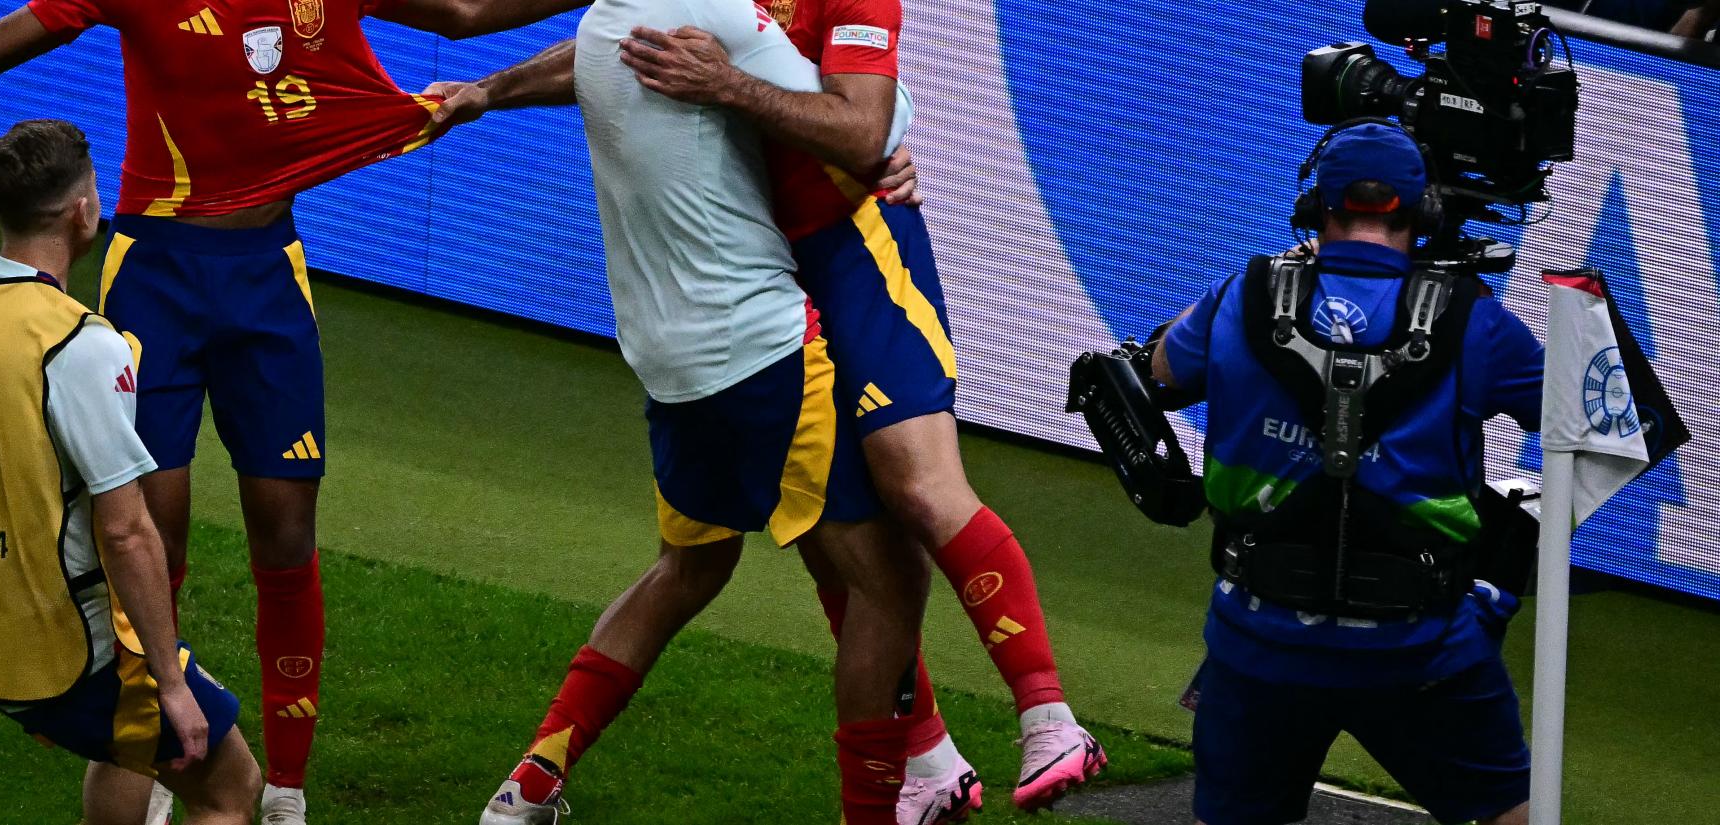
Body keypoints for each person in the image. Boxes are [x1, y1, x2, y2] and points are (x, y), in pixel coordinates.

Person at [0, 0, 586, 819]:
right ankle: (162, 746)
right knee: (146, 530)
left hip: (266, 277)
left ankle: (285, 785)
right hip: (158, 275)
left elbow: (468, 11)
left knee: (285, 532)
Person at [431, 0, 1106, 812]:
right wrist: (489, 91)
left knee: (911, 488)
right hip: (767, 279)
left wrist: (739, 90)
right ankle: (925, 757)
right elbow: (610, 39)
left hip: (858, 245)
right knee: (839, 546)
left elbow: (864, 133)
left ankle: (1049, 717)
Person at [464, 0, 930, 822]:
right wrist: (894, 156)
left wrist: (484, 91)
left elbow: (572, 56)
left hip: (663, 359)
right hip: (763, 350)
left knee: (689, 569)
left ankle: (529, 781)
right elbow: (863, 133)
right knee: (891, 580)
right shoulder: (728, 18)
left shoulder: (615, 21)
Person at [0, 120, 262, 825]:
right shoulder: (80, 342)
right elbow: (128, 530)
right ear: (83, 212)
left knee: (126, 745)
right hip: (62, 639)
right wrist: (172, 683)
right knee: (228, 783)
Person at [1147, 121, 1541, 825]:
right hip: (1423, 655)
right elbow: (1604, 426)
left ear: (1314, 207)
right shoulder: (1476, 322)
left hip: (1257, 646)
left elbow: (1162, 369)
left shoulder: (1243, 293)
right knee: (1512, 815)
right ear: (1423, 212)